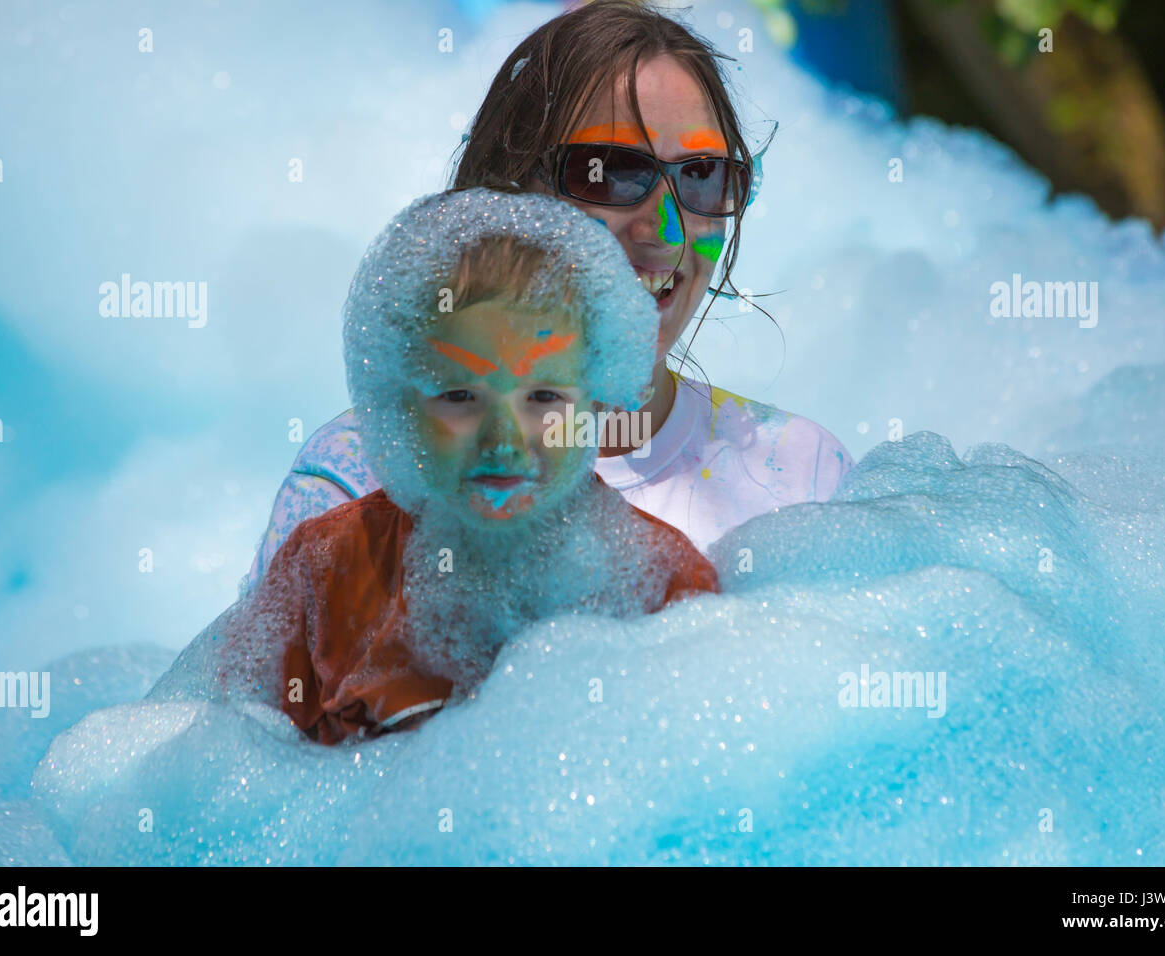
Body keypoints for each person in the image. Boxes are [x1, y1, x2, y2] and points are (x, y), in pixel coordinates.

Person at [240, 0, 854, 598]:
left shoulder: (801, 476)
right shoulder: (359, 482)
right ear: (505, 193)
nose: (667, 229)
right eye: (610, 171)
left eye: (702, 175)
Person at [149, 189, 719, 744]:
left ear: (597, 397)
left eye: (544, 398)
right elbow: (235, 768)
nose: (503, 441)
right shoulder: (325, 574)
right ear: (401, 408)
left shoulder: (663, 586)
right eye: (460, 398)